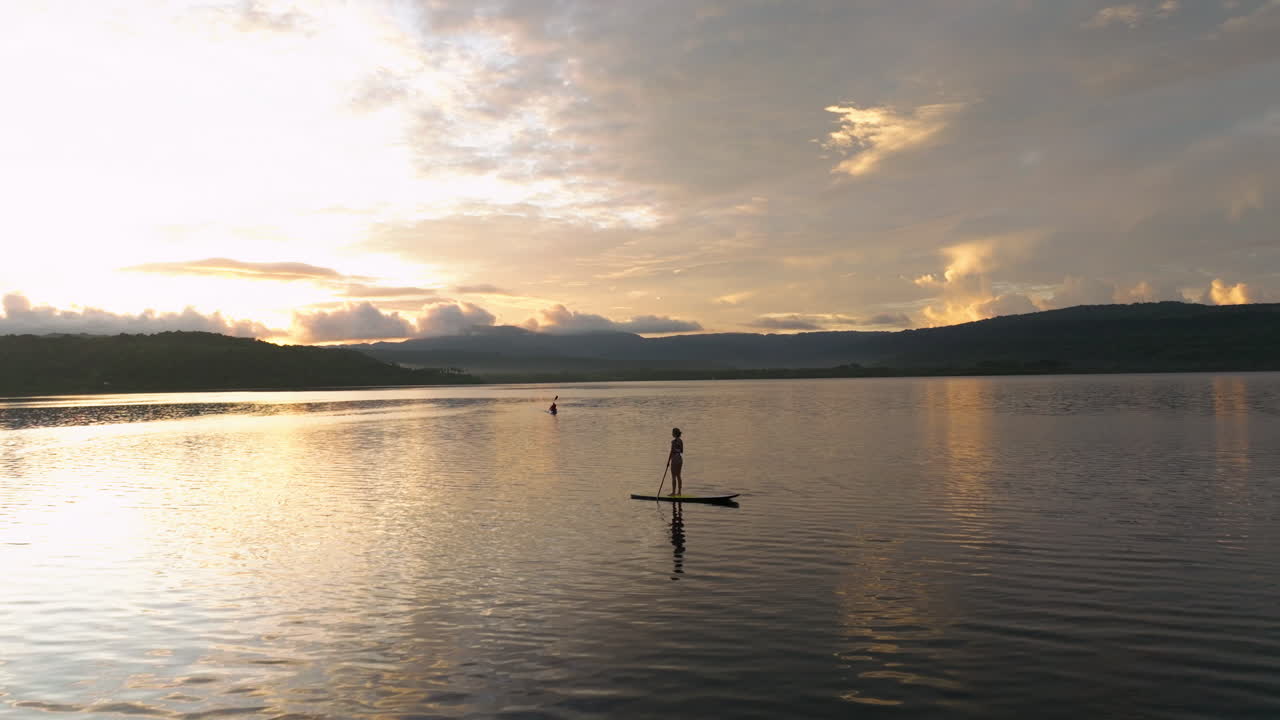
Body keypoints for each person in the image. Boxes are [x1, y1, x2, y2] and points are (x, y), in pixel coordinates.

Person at [667, 427, 684, 495]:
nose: (672, 434)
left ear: (675, 434)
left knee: (673, 476)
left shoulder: (673, 442)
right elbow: (682, 451)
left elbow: (671, 452)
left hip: (675, 459)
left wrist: (668, 461)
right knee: (678, 475)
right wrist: (676, 450)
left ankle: (673, 492)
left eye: (672, 432)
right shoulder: (681, 441)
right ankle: (679, 492)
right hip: (680, 458)